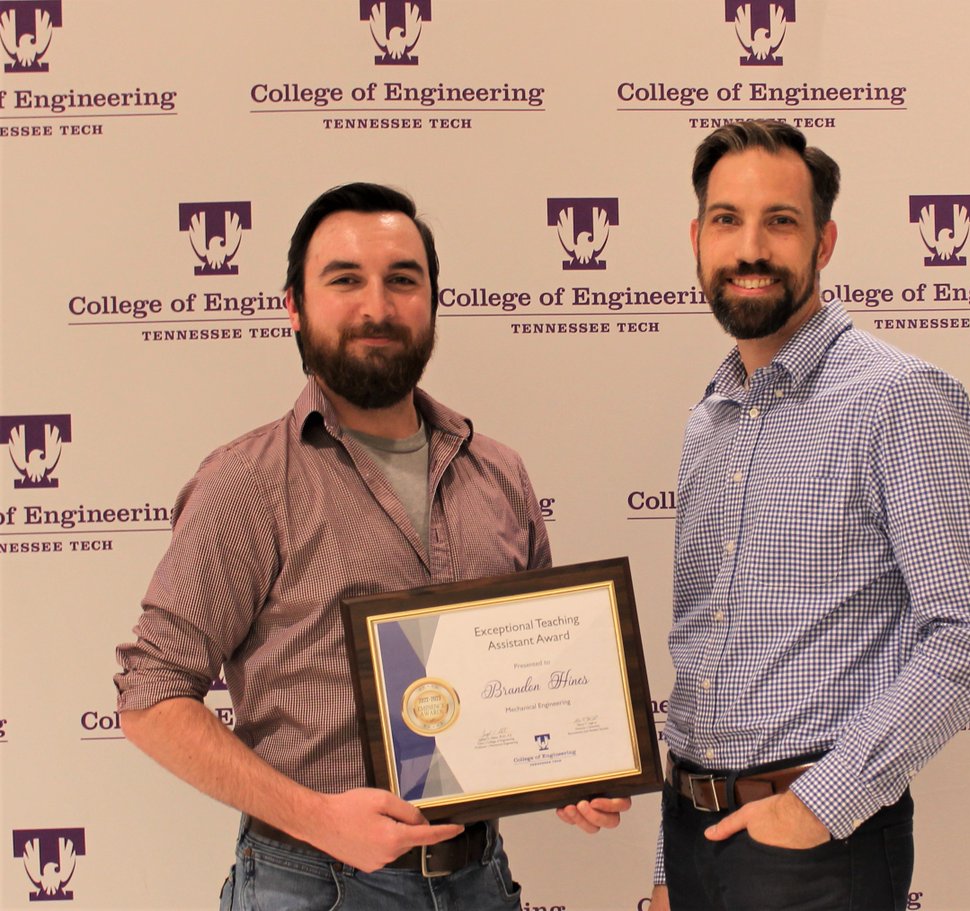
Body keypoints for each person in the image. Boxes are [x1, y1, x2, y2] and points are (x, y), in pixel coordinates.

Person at [115, 182, 624, 911]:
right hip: (311, 884)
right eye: (345, 279)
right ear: (293, 305)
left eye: (402, 280)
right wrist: (318, 816)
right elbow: (150, 696)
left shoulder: (500, 474)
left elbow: (542, 671)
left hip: (481, 880)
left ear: (433, 303)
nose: (377, 307)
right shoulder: (248, 482)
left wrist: (579, 767)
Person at [649, 122, 970, 910]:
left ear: (824, 241)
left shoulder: (898, 398)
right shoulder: (709, 419)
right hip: (694, 836)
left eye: (780, 221)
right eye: (726, 220)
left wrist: (820, 804)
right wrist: (665, 857)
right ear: (696, 239)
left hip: (815, 853)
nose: (750, 248)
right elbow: (702, 656)